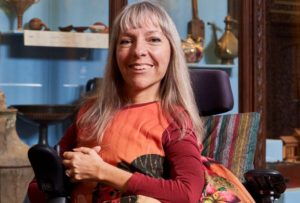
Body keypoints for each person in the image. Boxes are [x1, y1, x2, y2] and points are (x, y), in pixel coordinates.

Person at [28, 1, 255, 203]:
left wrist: (102, 172)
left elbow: (187, 193)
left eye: (154, 39)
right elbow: (39, 187)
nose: (138, 51)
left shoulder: (174, 119)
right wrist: (65, 177)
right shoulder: (90, 112)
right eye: (126, 41)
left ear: (171, 52)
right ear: (115, 54)